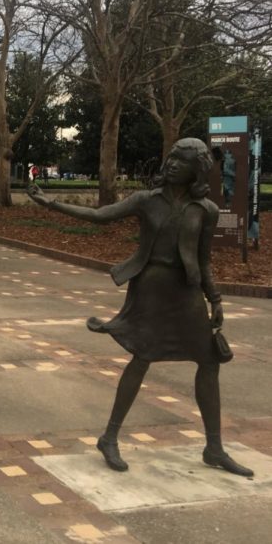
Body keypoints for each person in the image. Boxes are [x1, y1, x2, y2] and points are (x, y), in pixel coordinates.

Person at [28, 138, 252, 477]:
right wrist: (50, 203)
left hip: (187, 292)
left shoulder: (205, 209)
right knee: (143, 357)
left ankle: (214, 447)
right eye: (172, 157)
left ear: (197, 170)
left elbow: (204, 261)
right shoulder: (147, 201)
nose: (173, 163)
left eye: (183, 160)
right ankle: (110, 436)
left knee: (208, 361)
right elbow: (99, 215)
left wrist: (215, 298)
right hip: (151, 287)